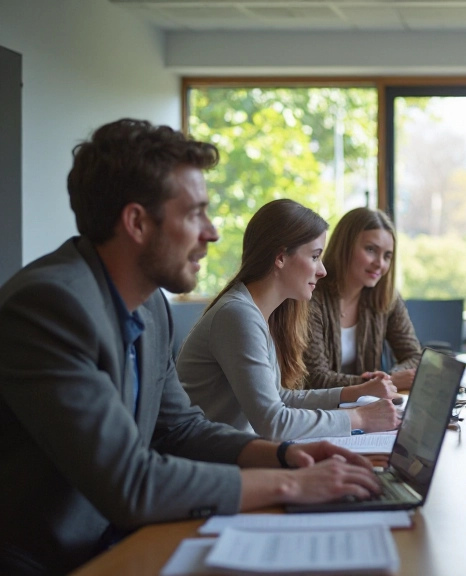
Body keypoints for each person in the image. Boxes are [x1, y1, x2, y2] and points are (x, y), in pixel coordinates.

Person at [0, 119, 382, 575]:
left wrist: (284, 455)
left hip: (122, 538)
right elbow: (130, 482)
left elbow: (181, 429)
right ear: (137, 222)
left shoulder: (149, 309)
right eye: (194, 214)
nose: (213, 232)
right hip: (52, 560)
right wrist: (289, 484)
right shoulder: (50, 306)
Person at [178, 200, 401, 441]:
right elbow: (274, 423)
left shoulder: (258, 312)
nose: (322, 270)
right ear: (281, 257)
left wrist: (354, 393)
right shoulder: (238, 315)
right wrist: (360, 418)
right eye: (315, 256)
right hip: (206, 464)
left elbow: (280, 398)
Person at [304, 208, 422, 392]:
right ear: (345, 246)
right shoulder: (311, 296)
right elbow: (316, 378)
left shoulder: (386, 296)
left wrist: (387, 379)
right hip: (319, 412)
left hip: (365, 408)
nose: (380, 264)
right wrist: (381, 384)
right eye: (370, 250)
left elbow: (414, 356)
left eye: (387, 256)